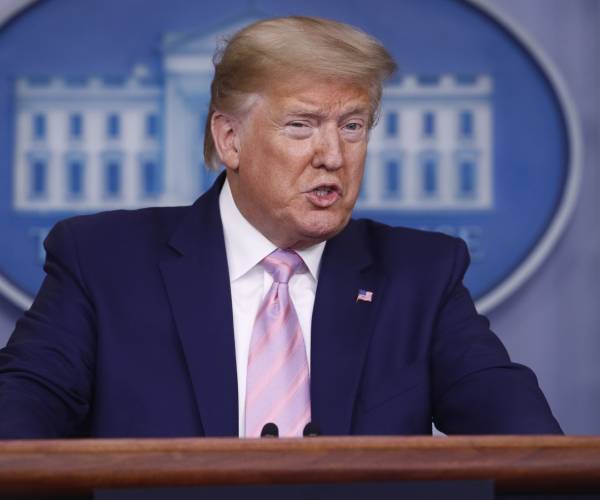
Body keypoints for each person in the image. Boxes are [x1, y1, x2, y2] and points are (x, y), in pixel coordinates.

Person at [0, 16, 561, 439]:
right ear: (230, 140)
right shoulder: (103, 262)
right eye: (301, 125)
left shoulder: (420, 276)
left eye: (353, 125)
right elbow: (19, 424)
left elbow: (531, 446)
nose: (333, 156)